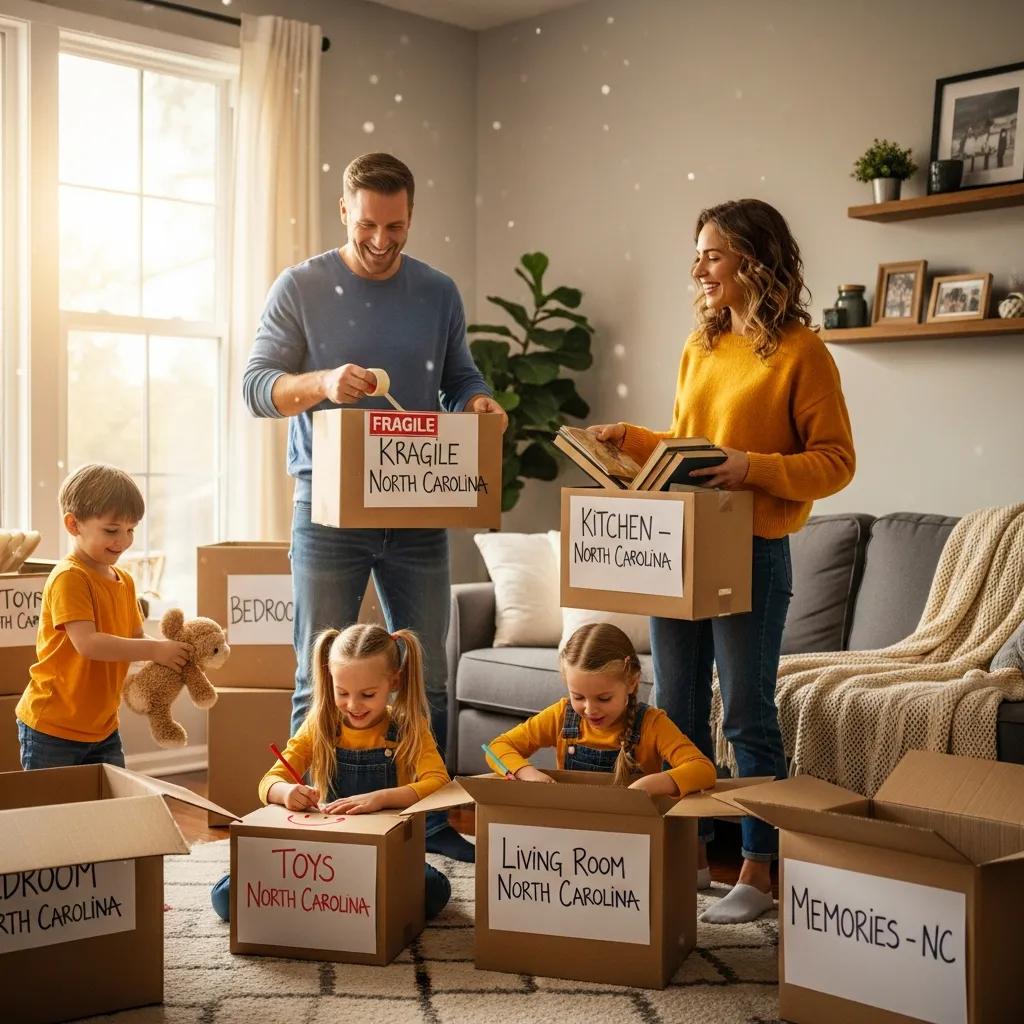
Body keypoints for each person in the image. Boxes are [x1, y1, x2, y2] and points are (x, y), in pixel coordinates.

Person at [589, 198, 855, 923]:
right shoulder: (699, 346)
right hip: (679, 550)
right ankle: (690, 859)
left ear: (754, 262)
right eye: (699, 254)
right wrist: (631, 439)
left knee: (746, 713)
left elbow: (835, 464)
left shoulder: (803, 352)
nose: (699, 268)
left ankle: (759, 873)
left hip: (754, 553)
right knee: (675, 714)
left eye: (712, 254)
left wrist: (753, 467)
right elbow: (687, 443)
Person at [242, 152, 506, 862]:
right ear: (343, 212)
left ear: (411, 215)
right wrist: (325, 381)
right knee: (318, 675)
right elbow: (257, 387)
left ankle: (430, 824)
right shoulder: (301, 286)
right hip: (325, 512)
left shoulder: (438, 292)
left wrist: (478, 403)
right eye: (368, 225)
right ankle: (318, 825)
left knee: (432, 675)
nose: (382, 240)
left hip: (418, 508)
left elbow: (460, 378)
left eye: (396, 226)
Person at [211, 623, 453, 922]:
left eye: (367, 694)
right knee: (225, 898)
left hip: (383, 854)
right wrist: (287, 793)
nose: (353, 705)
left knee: (434, 892)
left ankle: (337, 902)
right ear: (330, 679)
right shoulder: (321, 725)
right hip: (323, 856)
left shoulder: (408, 726)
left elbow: (440, 784)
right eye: (342, 692)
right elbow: (268, 782)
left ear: (394, 682)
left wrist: (380, 799)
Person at [15, 464, 191, 770]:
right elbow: (89, 644)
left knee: (106, 810)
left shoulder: (124, 579)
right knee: (54, 813)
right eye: (111, 530)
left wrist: (169, 654)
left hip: (103, 728)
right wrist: (155, 650)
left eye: (131, 529)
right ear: (73, 525)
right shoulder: (70, 577)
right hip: (53, 728)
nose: (122, 540)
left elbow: (134, 637)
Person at [485, 622, 716, 810]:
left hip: (632, 836)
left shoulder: (652, 724)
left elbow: (703, 769)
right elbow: (497, 747)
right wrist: (528, 774)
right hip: (571, 830)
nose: (589, 709)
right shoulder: (561, 716)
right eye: (578, 697)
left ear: (632, 683)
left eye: (603, 698)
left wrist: (651, 785)